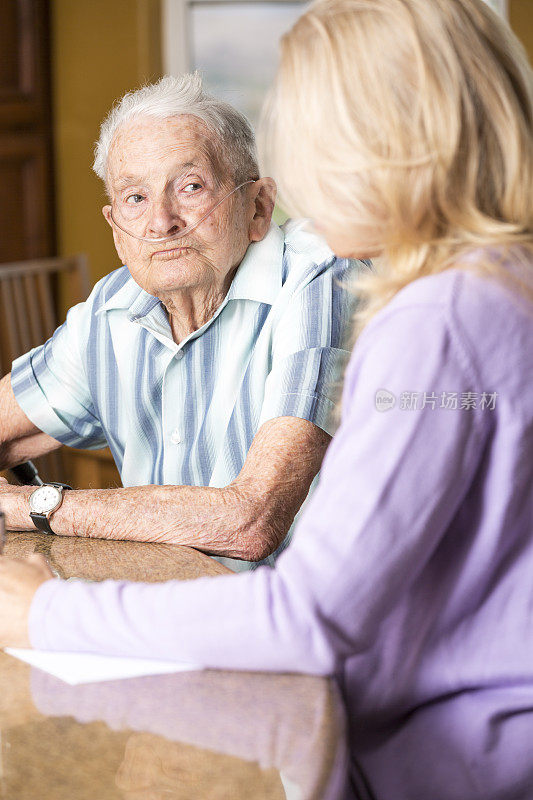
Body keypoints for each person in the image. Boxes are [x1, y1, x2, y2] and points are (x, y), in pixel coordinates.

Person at [1, 0, 533, 797]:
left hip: (438, 764)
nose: (304, 174)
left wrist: (46, 612)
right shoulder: (488, 285)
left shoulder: (435, 315)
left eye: (310, 128)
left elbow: (307, 612)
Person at [0, 74, 361, 571]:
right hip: (164, 611)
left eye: (191, 187)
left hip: (315, 626)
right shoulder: (112, 309)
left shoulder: (321, 275)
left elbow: (253, 520)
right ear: (115, 228)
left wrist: (34, 507)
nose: (161, 222)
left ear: (258, 207)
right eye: (135, 198)